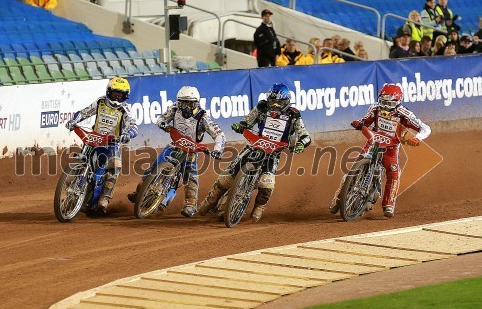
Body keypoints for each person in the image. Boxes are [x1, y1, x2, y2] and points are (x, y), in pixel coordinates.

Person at [197, 83, 311, 222]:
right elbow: (248, 121)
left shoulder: (293, 114)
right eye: (272, 101)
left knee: (266, 183)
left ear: (286, 102)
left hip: (273, 153)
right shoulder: (262, 107)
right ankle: (210, 200)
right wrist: (241, 126)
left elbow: (305, 135)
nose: (274, 105)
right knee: (227, 176)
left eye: (277, 102)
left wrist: (301, 144)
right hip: (255, 145)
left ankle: (259, 208)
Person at [329, 83, 431, 218]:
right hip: (373, 142)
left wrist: (418, 138)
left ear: (397, 102)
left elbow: (426, 128)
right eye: (383, 102)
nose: (385, 107)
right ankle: (337, 198)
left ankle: (389, 204)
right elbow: (365, 120)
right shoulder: (375, 107)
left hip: (391, 148)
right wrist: (359, 124)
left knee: (394, 173)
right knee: (351, 171)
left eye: (389, 104)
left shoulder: (405, 114)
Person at [127, 86, 225, 217]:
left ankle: (190, 204)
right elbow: (161, 118)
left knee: (191, 175)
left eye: (189, 102)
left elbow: (219, 135)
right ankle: (139, 191)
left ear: (196, 103)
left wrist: (218, 149)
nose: (185, 106)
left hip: (191, 150)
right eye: (183, 102)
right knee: (153, 168)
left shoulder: (203, 117)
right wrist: (163, 125)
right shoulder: (174, 108)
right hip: (174, 145)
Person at [65, 77, 138, 214]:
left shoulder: (126, 110)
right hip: (94, 139)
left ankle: (103, 200)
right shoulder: (100, 102)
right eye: (115, 94)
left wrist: (128, 134)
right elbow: (84, 112)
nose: (117, 97)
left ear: (125, 96)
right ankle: (73, 190)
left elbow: (133, 126)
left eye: (120, 95)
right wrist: (73, 120)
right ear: (109, 92)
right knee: (81, 160)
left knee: (115, 166)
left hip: (112, 143)